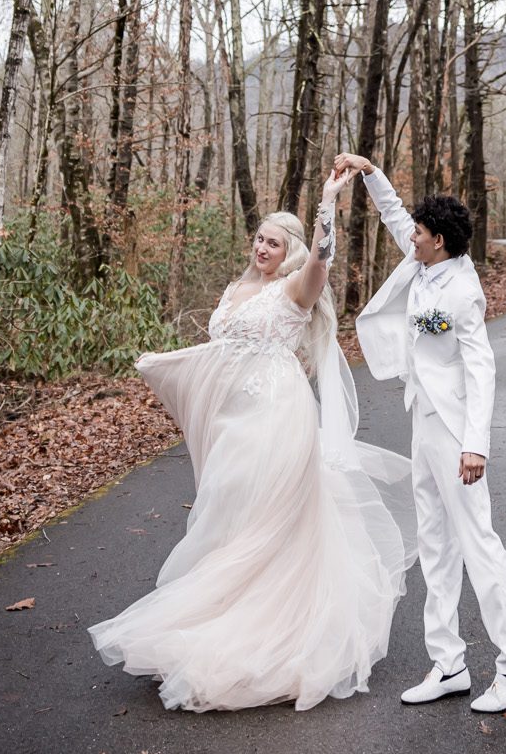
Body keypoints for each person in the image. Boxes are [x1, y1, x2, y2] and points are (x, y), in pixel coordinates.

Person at [89, 165, 414, 712]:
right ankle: (220, 616)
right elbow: (219, 354)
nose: (263, 247)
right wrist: (166, 364)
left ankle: (270, 639)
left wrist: (327, 204)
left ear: (288, 250)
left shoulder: (296, 288)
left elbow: (322, 257)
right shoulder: (236, 289)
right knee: (228, 514)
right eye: (259, 238)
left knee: (265, 517)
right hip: (230, 421)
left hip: (277, 416)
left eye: (273, 242)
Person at [333, 150, 506, 715]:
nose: (412, 238)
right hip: (422, 422)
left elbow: (481, 368)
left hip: (455, 433)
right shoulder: (424, 261)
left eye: (421, 235)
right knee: (434, 543)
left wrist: (476, 444)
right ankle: (447, 662)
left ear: (440, 243)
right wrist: (369, 172)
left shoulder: (462, 294)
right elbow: (395, 216)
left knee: (478, 541)